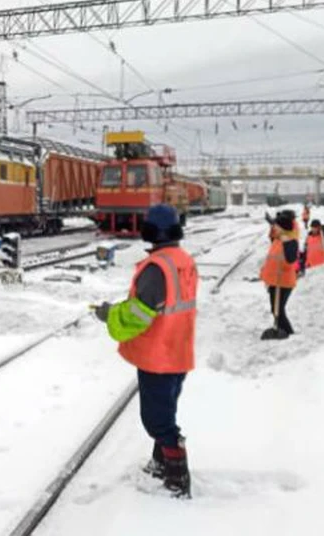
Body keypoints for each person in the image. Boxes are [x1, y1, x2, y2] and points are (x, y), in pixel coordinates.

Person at [94, 204, 198, 499]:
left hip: (159, 355)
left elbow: (138, 315)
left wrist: (109, 314)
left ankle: (177, 478)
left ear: (152, 231)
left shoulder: (157, 267)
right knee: (166, 409)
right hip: (179, 349)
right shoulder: (183, 260)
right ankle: (160, 463)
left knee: (156, 419)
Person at [260, 211, 299, 340]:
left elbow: (290, 261)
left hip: (283, 282)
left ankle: (288, 332)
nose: (273, 228)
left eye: (276, 226)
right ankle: (283, 330)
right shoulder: (277, 239)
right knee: (276, 309)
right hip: (274, 281)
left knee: (278, 309)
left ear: (282, 228)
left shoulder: (291, 242)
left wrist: (287, 242)